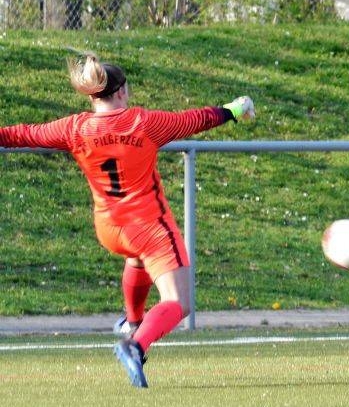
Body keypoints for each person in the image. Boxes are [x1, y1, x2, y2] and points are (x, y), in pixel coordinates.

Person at [0, 53, 256, 388]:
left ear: (93, 96)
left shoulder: (75, 128)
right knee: (178, 302)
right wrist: (235, 109)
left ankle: (133, 322)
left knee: (137, 258)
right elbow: (197, 119)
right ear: (121, 91)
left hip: (110, 228)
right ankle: (135, 344)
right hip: (148, 225)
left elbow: (22, 134)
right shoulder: (143, 123)